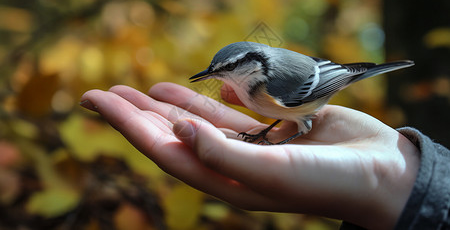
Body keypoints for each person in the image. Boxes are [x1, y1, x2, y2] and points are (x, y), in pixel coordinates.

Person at [80, 82, 450, 229]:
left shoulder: (274, 84)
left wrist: (389, 181)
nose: (221, 79)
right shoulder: (255, 88)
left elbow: (308, 104)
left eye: (229, 69)